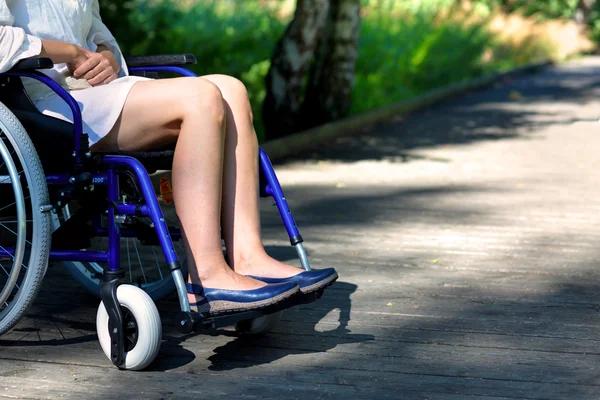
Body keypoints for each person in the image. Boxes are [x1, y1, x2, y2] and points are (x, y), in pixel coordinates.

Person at [0, 0, 337, 315]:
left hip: (92, 93)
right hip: (42, 102)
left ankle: (248, 257)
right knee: (201, 98)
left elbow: (94, 33)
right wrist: (68, 53)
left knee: (231, 90)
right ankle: (206, 276)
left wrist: (106, 56)